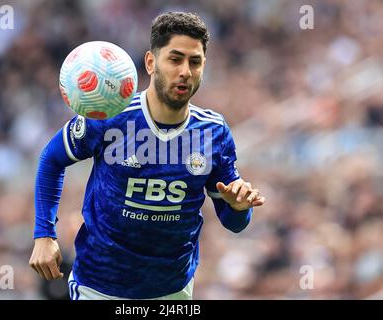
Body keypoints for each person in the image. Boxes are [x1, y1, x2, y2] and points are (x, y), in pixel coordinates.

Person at [29, 11, 265, 300]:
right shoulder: (110, 116)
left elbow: (234, 223)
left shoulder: (213, 132)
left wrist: (240, 207)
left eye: (195, 61)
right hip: (99, 286)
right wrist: (44, 234)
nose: (185, 72)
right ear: (151, 62)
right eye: (175, 59)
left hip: (173, 291)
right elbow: (52, 160)